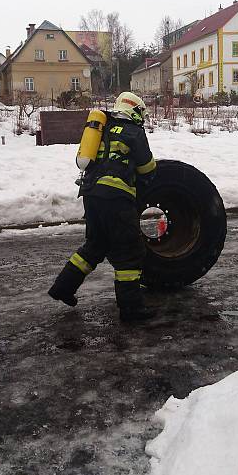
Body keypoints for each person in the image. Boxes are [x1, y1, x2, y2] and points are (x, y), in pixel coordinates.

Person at [48, 91, 158, 322]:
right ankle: (131, 311)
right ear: (135, 111)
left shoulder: (103, 128)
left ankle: (63, 288)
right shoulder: (134, 132)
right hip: (116, 198)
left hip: (91, 195)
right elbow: (147, 167)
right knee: (129, 253)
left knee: (96, 245)